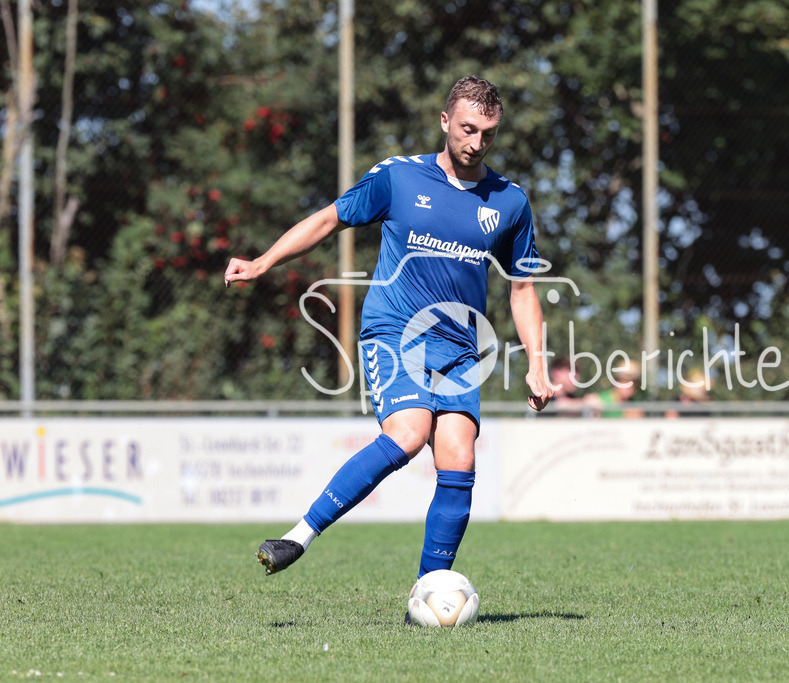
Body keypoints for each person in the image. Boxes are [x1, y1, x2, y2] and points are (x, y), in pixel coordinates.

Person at [224, 76, 554, 579]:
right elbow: (328, 219)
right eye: (467, 129)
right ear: (444, 122)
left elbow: (522, 289)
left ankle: (427, 594)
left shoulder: (509, 202)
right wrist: (264, 261)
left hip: (460, 348)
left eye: (488, 133)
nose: (476, 142)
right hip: (395, 329)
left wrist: (537, 364)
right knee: (408, 432)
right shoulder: (398, 178)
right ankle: (298, 537)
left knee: (460, 459)